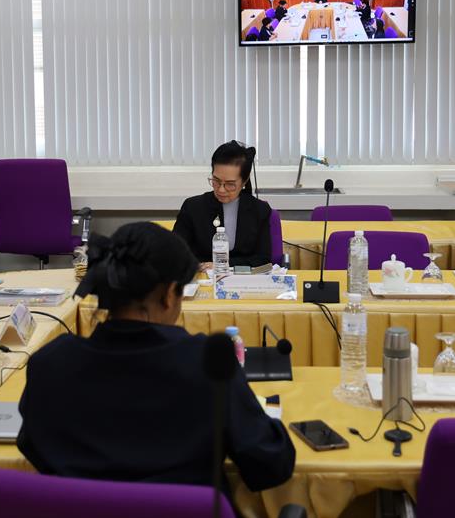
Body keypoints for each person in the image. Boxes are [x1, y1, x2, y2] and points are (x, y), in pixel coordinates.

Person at [17, 222, 295, 492]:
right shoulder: (207, 363)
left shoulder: (51, 364)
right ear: (170, 294)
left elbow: (32, 446)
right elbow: (269, 466)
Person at [173, 141, 273, 268]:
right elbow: (175, 252)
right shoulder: (193, 207)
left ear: (244, 181)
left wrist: (223, 265)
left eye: (230, 184)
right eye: (216, 181)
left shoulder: (259, 210)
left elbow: (263, 258)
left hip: (242, 277)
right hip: (203, 275)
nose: (221, 189)